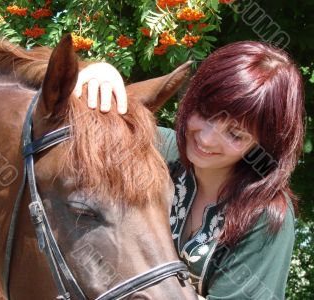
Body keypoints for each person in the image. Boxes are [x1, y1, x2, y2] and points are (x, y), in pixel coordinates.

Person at [74, 41, 305, 299]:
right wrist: (100, 72)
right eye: (205, 114)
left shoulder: (263, 217)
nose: (206, 139)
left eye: (235, 134)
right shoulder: (157, 149)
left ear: (262, 145)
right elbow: (71, 126)